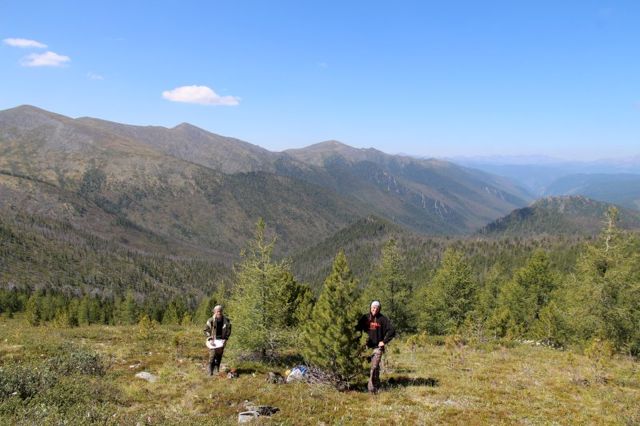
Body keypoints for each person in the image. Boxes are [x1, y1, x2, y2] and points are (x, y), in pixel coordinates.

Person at [356, 300, 395, 393]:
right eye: (373, 307)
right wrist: (358, 341)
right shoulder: (365, 318)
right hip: (365, 347)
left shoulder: (383, 319)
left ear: (379, 309)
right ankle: (369, 384)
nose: (375, 309)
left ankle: (372, 390)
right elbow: (357, 329)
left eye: (377, 308)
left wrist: (384, 341)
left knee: (374, 367)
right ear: (370, 308)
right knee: (363, 367)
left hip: (377, 348)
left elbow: (392, 330)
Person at [204, 305, 231, 375]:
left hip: (222, 340)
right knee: (212, 355)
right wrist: (210, 339)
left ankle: (216, 369)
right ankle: (210, 370)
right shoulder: (210, 320)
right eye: (218, 311)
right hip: (213, 340)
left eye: (220, 311)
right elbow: (206, 330)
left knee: (219, 355)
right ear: (214, 312)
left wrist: (225, 339)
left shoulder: (226, 320)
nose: (219, 313)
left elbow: (229, 330)